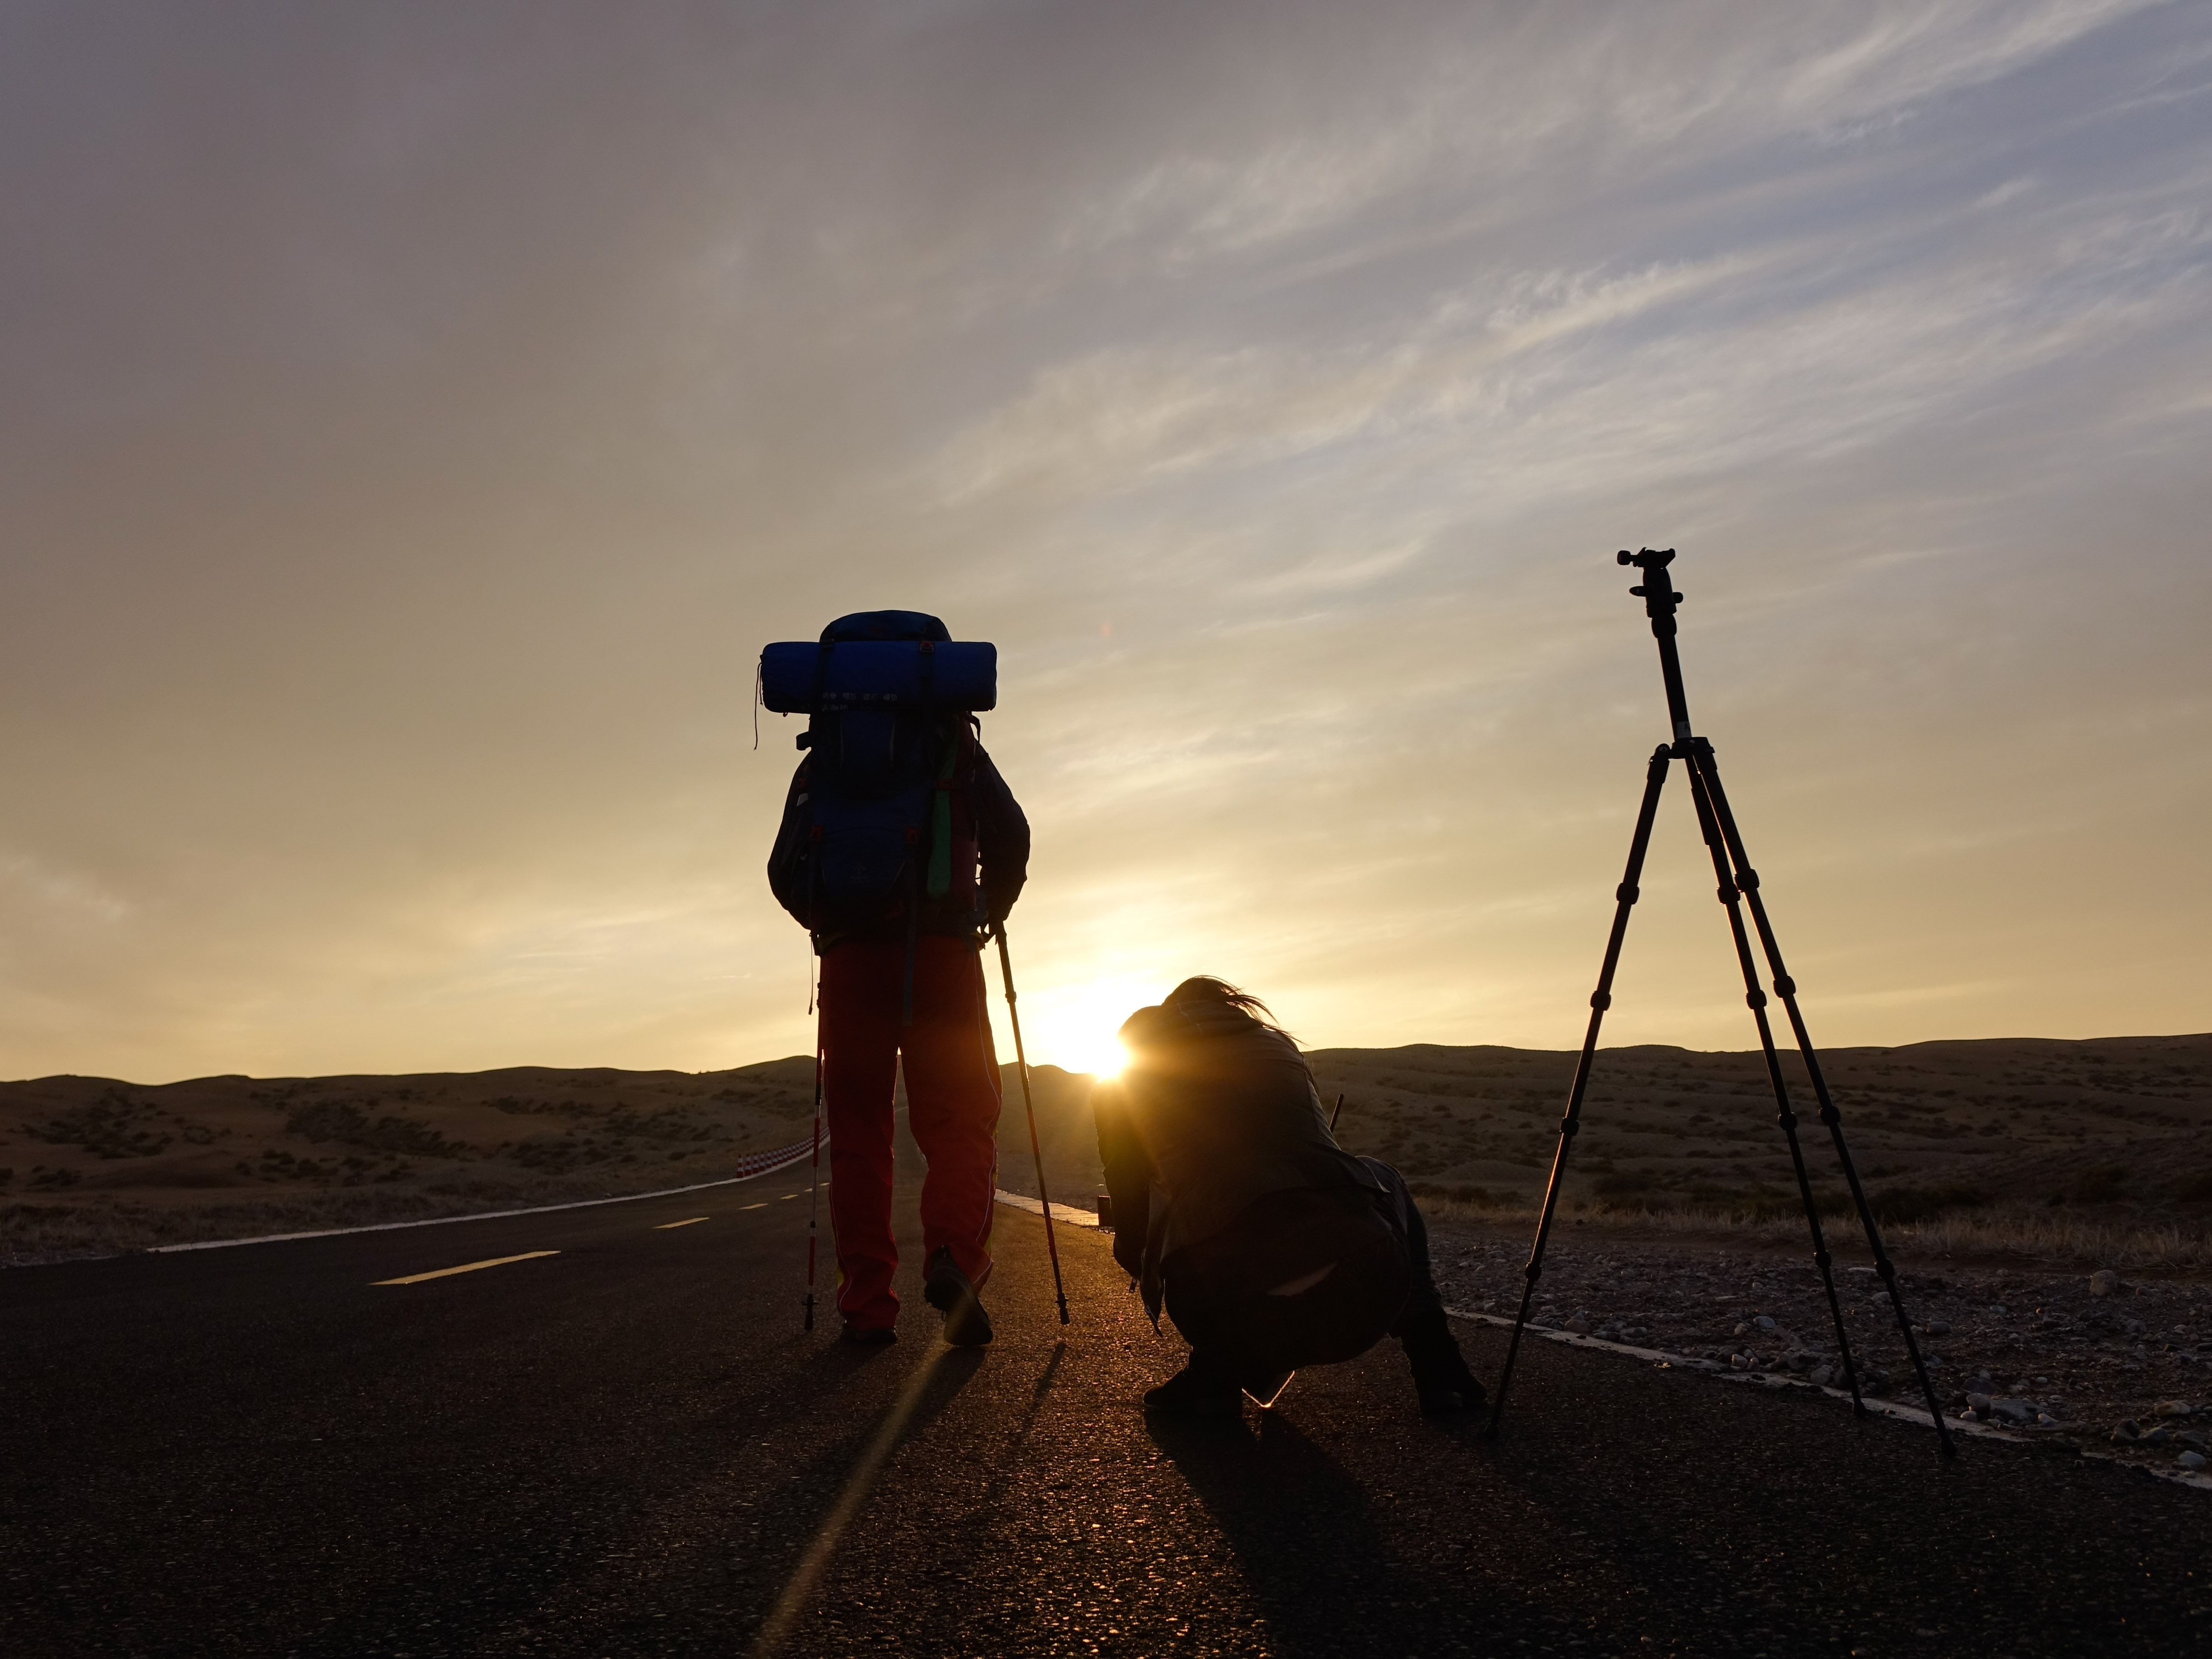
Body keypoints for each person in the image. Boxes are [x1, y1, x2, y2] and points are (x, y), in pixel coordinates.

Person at [767, 610, 1030, 1347]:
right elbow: (1012, 835)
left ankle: (866, 1306)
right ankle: (953, 1256)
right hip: (945, 955)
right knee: (959, 1120)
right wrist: (989, 910)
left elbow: (781, 869)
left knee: (857, 1133)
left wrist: (828, 927)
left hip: (849, 962)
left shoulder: (822, 758)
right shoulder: (955, 749)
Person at [1092, 976, 1484, 1417]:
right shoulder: (1278, 1047)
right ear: (1231, 1008)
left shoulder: (1123, 1080)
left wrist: (1136, 1253)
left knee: (1195, 1202)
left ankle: (1213, 1377)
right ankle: (1440, 1368)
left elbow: (1127, 1193)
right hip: (1369, 1293)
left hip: (1230, 1320)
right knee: (1379, 1176)